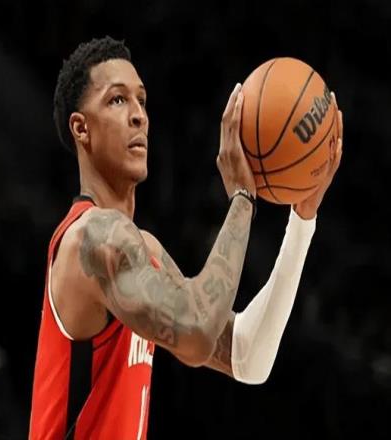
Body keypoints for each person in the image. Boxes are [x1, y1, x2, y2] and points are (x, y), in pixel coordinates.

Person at [29, 36, 343, 440]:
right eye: (117, 100)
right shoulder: (92, 238)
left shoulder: (142, 251)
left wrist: (302, 221)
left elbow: (248, 357)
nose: (139, 115)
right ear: (81, 128)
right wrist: (242, 200)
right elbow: (196, 334)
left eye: (142, 100)